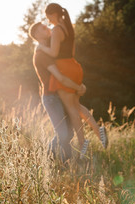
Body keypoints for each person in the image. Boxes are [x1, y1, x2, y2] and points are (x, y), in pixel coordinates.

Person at [37, 3, 108, 158]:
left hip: (64, 68)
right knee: (76, 105)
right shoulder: (68, 26)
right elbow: (72, 51)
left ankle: (83, 143)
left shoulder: (56, 30)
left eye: (47, 16)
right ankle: (98, 130)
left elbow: (54, 53)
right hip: (74, 66)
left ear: (52, 14)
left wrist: (42, 48)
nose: (47, 20)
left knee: (72, 108)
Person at [29, 22, 87, 161]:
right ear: (36, 35)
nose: (47, 27)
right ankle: (58, 162)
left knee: (69, 133)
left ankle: (53, 157)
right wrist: (78, 87)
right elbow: (59, 77)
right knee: (63, 134)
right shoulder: (42, 54)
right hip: (51, 98)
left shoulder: (50, 50)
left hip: (61, 95)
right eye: (43, 28)